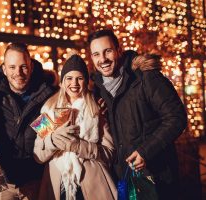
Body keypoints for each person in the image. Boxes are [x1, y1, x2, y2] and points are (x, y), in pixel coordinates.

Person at [88, 29, 187, 199]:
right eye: (96, 54)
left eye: (108, 51)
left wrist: (145, 151)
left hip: (157, 177)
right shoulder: (97, 91)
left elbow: (177, 117)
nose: (102, 59)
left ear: (118, 50)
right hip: (124, 180)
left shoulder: (145, 78)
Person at [33, 53, 117, 200]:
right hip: (58, 184)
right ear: (62, 81)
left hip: (92, 184)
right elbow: (38, 155)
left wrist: (79, 146)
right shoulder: (48, 108)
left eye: (80, 78)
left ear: (86, 81)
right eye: (69, 78)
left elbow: (109, 154)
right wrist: (52, 140)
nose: (74, 83)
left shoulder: (97, 108)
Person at [0, 42, 57, 200]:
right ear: (4, 69)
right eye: (12, 67)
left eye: (23, 67)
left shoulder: (48, 95)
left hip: (36, 180)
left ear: (31, 67)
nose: (18, 73)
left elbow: (77, 100)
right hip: (2, 183)